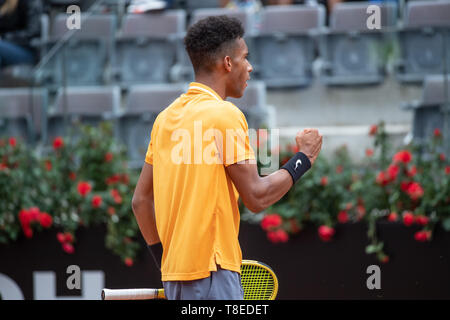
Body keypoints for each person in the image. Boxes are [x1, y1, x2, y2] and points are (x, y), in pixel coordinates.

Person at [131, 15, 323, 300]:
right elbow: (256, 197)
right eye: (245, 58)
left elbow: (140, 201)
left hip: (175, 277)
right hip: (213, 272)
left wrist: (166, 261)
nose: (250, 67)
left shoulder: (165, 119)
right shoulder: (225, 115)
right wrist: (303, 159)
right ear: (228, 63)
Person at [0, 0, 43, 68]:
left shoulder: (32, 2)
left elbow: (32, 33)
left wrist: (4, 37)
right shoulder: (4, 3)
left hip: (27, 51)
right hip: (5, 47)